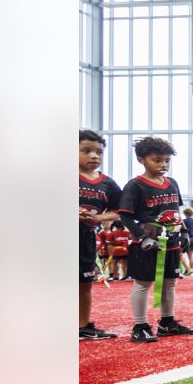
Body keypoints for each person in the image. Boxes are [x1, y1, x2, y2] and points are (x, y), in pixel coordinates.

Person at [117, 136, 193, 343]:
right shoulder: (135, 186)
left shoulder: (172, 183)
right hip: (147, 244)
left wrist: (184, 233)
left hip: (170, 242)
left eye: (166, 160)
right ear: (141, 159)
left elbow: (175, 210)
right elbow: (126, 215)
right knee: (143, 283)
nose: (163, 165)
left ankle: (167, 323)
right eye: (157, 160)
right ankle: (140, 326)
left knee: (170, 283)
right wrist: (142, 237)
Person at [79, 130, 122, 340]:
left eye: (98, 152)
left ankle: (82, 326)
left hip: (86, 238)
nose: (94, 156)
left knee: (84, 283)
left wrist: (99, 219)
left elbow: (119, 210)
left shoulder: (107, 184)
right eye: (86, 151)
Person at [179, 207, 193, 275]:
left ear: (185, 213)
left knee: (179, 255)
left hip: (186, 238)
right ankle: (190, 271)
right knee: (191, 257)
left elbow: (181, 229)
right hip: (192, 238)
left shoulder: (184, 221)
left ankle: (188, 269)